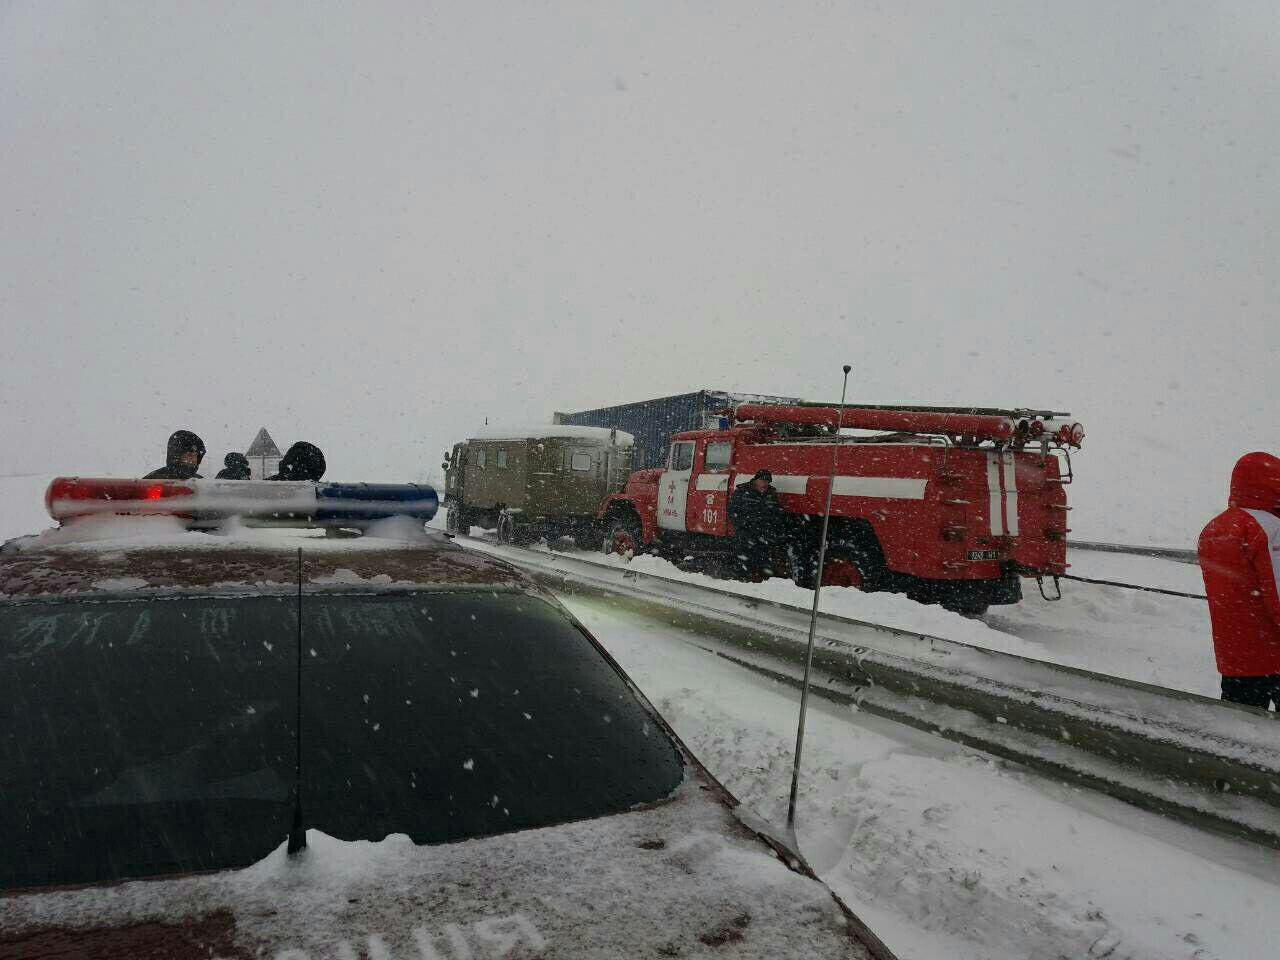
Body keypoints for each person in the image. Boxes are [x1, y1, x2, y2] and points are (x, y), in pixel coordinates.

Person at [1199, 451, 1280, 710]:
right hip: (1273, 656)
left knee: (1240, 732)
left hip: (1235, 656)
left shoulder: (1214, 528)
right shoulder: (1268, 527)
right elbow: (1277, 594)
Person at [729, 468, 786, 580]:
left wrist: (772, 529)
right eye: (763, 481)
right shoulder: (742, 491)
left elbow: (777, 514)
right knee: (744, 561)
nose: (765, 484)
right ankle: (743, 582)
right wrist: (743, 526)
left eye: (767, 482)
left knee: (762, 562)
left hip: (763, 535)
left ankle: (759, 583)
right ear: (756, 480)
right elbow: (732, 511)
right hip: (745, 534)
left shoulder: (771, 494)